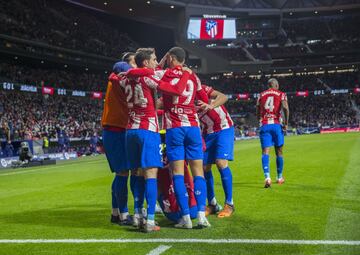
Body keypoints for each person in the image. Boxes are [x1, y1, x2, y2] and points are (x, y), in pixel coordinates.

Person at [120, 47, 192, 232]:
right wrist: (185, 74)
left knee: (136, 174)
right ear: (145, 62)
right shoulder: (148, 78)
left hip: (130, 131)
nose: (156, 62)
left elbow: (130, 72)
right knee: (150, 175)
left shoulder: (125, 78)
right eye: (154, 59)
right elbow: (175, 89)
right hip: (147, 130)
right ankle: (150, 220)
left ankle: (137, 216)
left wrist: (150, 65)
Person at [157, 47, 211, 229]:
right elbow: (203, 100)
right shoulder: (193, 76)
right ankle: (202, 216)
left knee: (178, 174)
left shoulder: (165, 74)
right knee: (198, 173)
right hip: (193, 128)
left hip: (175, 129)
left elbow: (155, 72)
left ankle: (186, 219)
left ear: (171, 58)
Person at [198, 84, 235, 218]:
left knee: (220, 162)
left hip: (223, 128)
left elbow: (223, 96)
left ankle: (229, 204)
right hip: (207, 132)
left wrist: (211, 105)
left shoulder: (200, 88)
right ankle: (212, 204)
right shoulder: (181, 94)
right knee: (203, 167)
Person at [256, 78, 290, 188]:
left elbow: (257, 109)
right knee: (279, 151)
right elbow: (285, 107)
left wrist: (259, 120)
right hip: (276, 124)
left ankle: (267, 177)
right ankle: (279, 177)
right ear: (275, 85)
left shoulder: (261, 95)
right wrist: (286, 123)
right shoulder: (281, 94)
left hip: (265, 125)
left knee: (265, 151)